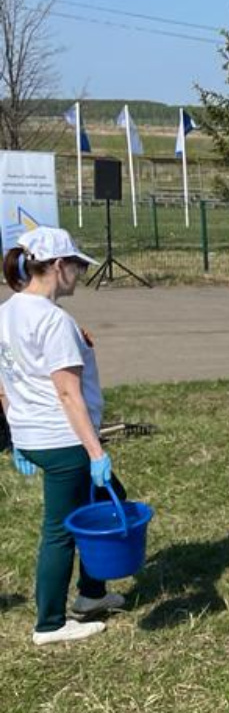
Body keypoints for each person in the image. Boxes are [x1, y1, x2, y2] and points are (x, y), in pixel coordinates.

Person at [0, 227, 125, 645]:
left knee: (111, 500)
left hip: (34, 435)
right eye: (75, 265)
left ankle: (91, 594)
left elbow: (4, 383)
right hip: (61, 440)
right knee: (61, 529)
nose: (79, 273)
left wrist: (17, 435)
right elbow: (68, 393)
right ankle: (49, 623)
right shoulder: (53, 321)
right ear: (58, 266)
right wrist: (94, 452)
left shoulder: (8, 311)